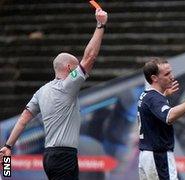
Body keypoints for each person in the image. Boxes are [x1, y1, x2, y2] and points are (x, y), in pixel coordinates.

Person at [0, 9, 108, 180]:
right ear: (69, 69)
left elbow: (23, 119)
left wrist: (8, 145)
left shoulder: (41, 92)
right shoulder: (68, 85)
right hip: (63, 156)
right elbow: (90, 57)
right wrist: (100, 25)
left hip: (50, 156)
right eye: (75, 67)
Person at [138, 57, 185, 180]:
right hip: (158, 155)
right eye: (167, 74)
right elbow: (169, 116)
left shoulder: (147, 95)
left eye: (171, 72)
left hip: (148, 154)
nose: (172, 77)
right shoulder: (154, 99)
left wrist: (164, 95)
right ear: (154, 78)